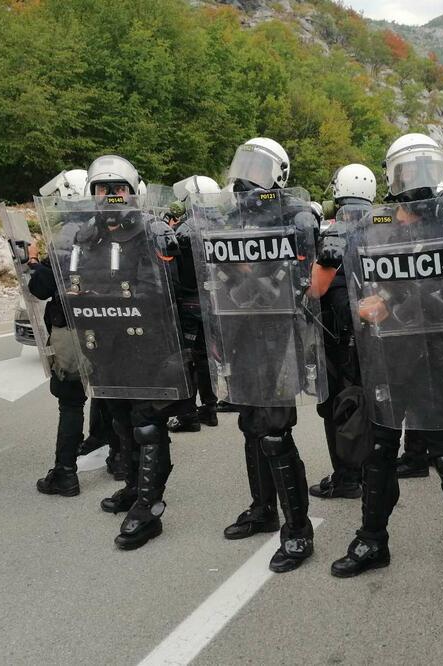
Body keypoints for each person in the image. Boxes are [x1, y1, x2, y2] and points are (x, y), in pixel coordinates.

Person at [328, 133, 443, 607]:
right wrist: (367, 305)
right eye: (407, 171)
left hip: (437, 360)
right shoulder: (375, 227)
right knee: (380, 452)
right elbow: (358, 289)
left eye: (424, 169)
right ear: (391, 176)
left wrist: (399, 301)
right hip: (387, 359)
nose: (416, 181)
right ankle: (372, 540)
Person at [36, 155, 192, 550]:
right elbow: (70, 278)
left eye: (116, 188)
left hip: (146, 344)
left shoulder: (152, 231)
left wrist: (101, 297)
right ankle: (132, 485)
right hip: (105, 343)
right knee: (118, 417)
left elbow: (160, 291)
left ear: (132, 191)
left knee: (146, 423)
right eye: (102, 189)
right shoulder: (88, 235)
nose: (109, 195)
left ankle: (148, 506)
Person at [194, 137, 321, 573]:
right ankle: (263, 509)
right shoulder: (228, 219)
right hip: (238, 332)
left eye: (260, 167)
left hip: (278, 335)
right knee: (250, 425)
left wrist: (252, 268)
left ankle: (299, 530)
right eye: (243, 163)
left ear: (280, 175)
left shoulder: (296, 216)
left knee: (274, 431)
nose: (248, 176)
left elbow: (304, 279)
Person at [15, 169, 90, 497]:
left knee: (70, 399)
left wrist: (32, 262)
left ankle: (65, 473)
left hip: (72, 325)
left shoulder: (68, 233)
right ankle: (122, 461)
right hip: (108, 322)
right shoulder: (112, 226)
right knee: (114, 398)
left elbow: (43, 287)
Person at [307, 163, 376, 500]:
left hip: (339, 334)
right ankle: (369, 473)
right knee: (369, 404)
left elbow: (316, 289)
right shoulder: (384, 227)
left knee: (339, 405)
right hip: (375, 330)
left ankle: (347, 477)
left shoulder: (337, 230)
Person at [166, 175, 221, 433]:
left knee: (187, 359)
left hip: (188, 303)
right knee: (206, 357)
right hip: (214, 302)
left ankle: (188, 414)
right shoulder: (223, 226)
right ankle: (210, 408)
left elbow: (173, 274)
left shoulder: (183, 230)